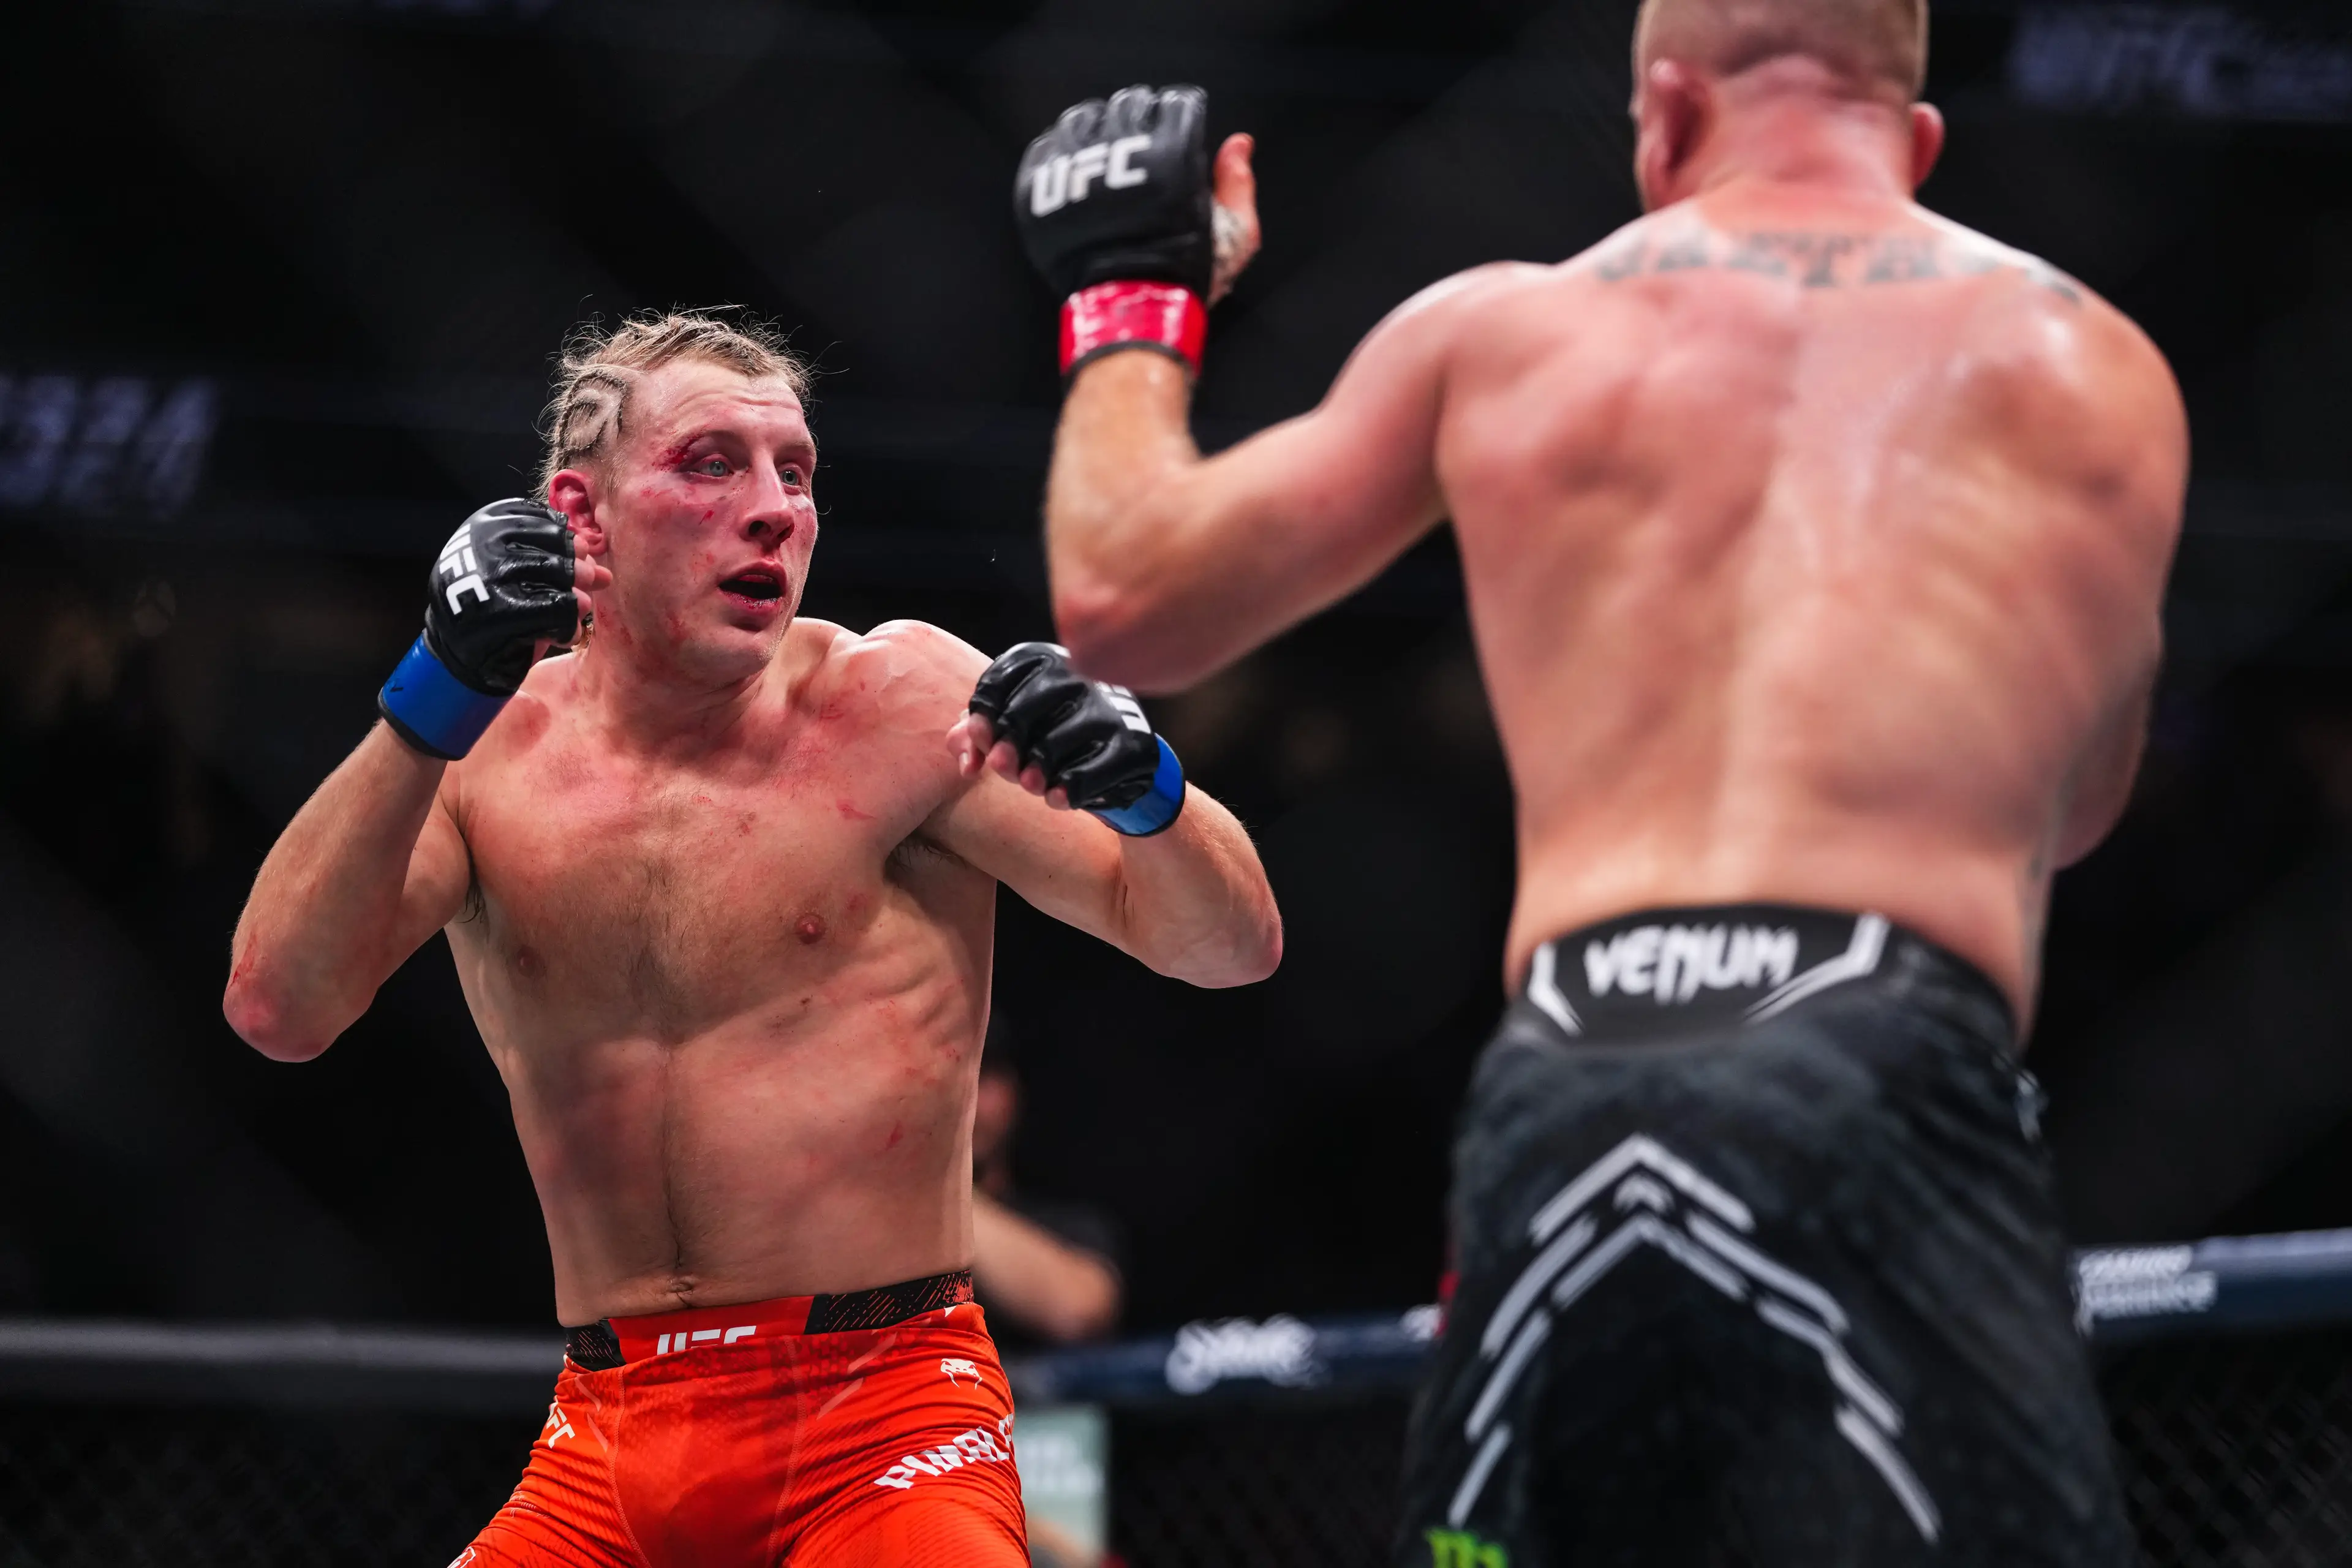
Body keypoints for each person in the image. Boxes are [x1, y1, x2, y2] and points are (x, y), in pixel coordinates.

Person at [1003, 0, 2187, 1559]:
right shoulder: (2087, 365)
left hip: (1573, 1058)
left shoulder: (1509, 331)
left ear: (1665, 116)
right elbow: (2080, 806)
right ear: (1914, 142)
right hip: (1884, 1045)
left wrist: (1132, 295)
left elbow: (1122, 596)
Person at [221, 311, 1281, 1568]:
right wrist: (430, 692)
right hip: (602, 1439)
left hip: (884, 1414)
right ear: (583, 511)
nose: (775, 507)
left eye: (798, 471)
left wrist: (1147, 784)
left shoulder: (902, 708)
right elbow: (279, 1009)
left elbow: (1228, 947)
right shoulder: (482, 754)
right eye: (713, 461)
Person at [968, 1021, 1126, 1347]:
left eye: (982, 1077)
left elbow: (1080, 1311)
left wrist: (934, 1188)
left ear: (1014, 1092)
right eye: (950, 1082)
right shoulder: (883, 1225)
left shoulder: (1068, 1225)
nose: (966, 1099)